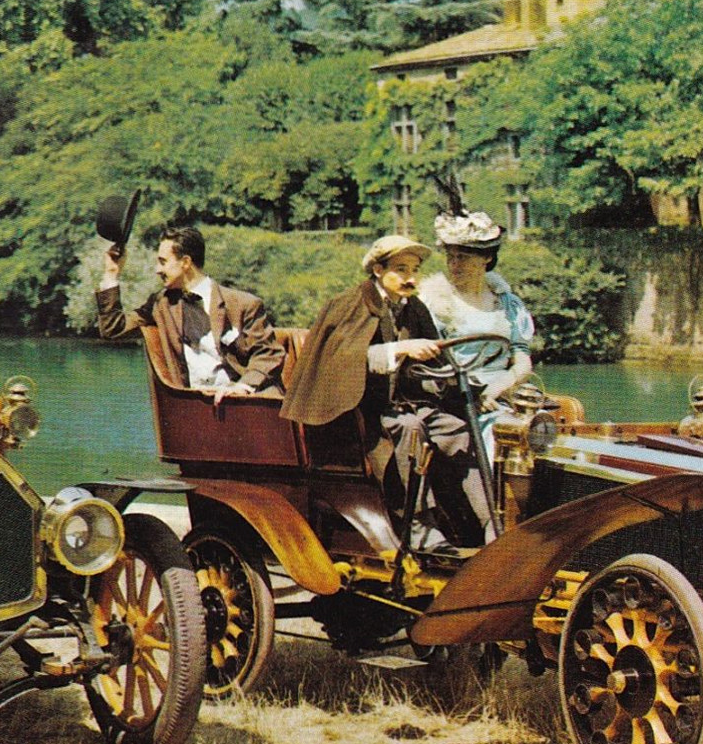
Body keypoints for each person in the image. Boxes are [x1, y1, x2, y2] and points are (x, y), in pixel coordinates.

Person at [281, 235, 490, 549]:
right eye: (401, 269)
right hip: (357, 412)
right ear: (378, 269)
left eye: (415, 269)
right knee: (409, 429)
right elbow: (340, 360)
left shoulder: (414, 307)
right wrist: (400, 348)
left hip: (407, 405)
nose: (410, 278)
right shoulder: (349, 304)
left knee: (455, 430)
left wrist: (460, 385)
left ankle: (485, 524)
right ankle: (420, 529)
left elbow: (432, 365)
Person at [97, 224, 284, 405]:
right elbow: (113, 329)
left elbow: (269, 353)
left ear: (186, 262)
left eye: (163, 262)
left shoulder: (244, 304)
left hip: (245, 405)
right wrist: (111, 273)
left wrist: (242, 388)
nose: (157, 270)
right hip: (194, 408)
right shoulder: (161, 304)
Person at [417, 210, 535, 414]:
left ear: (487, 257)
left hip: (503, 392)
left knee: (540, 429)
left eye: (462, 257)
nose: (454, 264)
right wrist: (473, 394)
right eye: (450, 256)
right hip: (456, 398)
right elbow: (431, 366)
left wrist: (495, 390)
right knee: (497, 432)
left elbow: (522, 361)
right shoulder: (435, 301)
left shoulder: (507, 303)